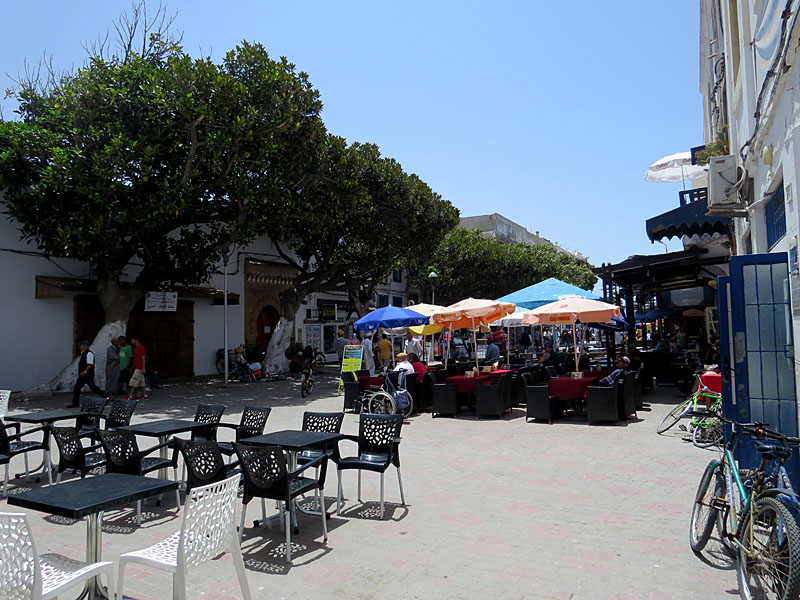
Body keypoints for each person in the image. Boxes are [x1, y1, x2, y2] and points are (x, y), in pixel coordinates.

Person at [68, 339, 106, 408]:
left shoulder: (89, 354)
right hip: (82, 375)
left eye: (81, 345)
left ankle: (105, 396)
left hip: (87, 374)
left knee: (93, 388)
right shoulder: (82, 354)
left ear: (85, 346)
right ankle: (75, 403)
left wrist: (85, 371)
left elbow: (90, 364)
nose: (80, 346)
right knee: (77, 388)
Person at [114, 335, 133, 400]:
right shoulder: (121, 348)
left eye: (120, 341)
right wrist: (114, 364)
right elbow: (121, 358)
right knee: (128, 382)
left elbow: (130, 357)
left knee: (120, 382)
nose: (119, 342)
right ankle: (132, 394)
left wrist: (128, 366)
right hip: (122, 367)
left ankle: (115, 396)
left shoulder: (129, 347)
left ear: (123, 340)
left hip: (125, 368)